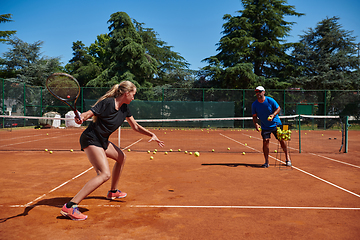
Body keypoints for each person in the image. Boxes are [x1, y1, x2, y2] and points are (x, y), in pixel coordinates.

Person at [60, 81, 165, 220]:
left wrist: (151, 134)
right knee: (104, 174)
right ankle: (70, 206)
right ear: (126, 93)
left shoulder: (125, 108)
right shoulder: (108, 103)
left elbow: (135, 126)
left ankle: (113, 192)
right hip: (91, 139)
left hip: (102, 141)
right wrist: (81, 118)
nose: (134, 97)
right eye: (133, 94)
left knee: (122, 158)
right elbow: (88, 114)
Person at [251, 86, 291, 168]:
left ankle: (287, 158)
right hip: (265, 126)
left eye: (259, 91)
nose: (257, 93)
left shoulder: (270, 100)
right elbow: (254, 116)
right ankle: (266, 162)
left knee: (282, 141)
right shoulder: (254, 104)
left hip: (276, 124)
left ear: (263, 92)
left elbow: (278, 108)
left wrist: (273, 115)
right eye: (256, 92)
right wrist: (256, 124)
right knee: (265, 142)